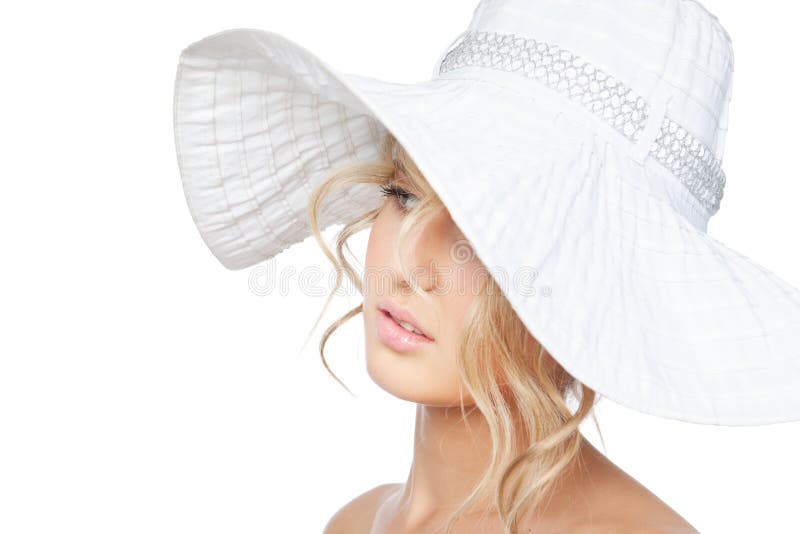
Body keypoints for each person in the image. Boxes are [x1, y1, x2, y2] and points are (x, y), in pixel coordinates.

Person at [172, 0, 800, 532]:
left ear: (599, 282)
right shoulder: (357, 521)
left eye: (489, 229)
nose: (412, 263)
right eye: (405, 193)